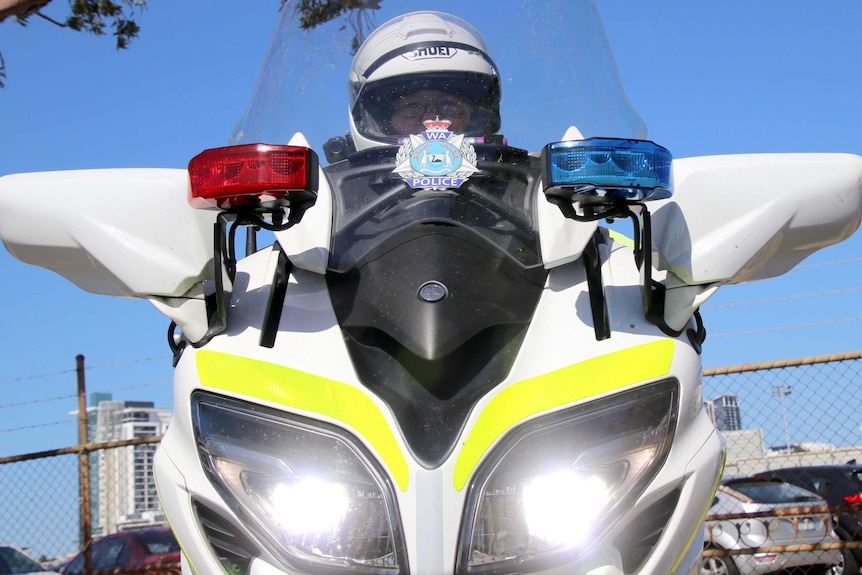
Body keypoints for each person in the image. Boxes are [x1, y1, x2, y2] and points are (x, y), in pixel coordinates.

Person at [347, 11, 502, 151]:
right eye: (413, 106)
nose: (432, 118)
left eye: (448, 105)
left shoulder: (520, 179)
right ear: (382, 121)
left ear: (474, 115)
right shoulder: (336, 182)